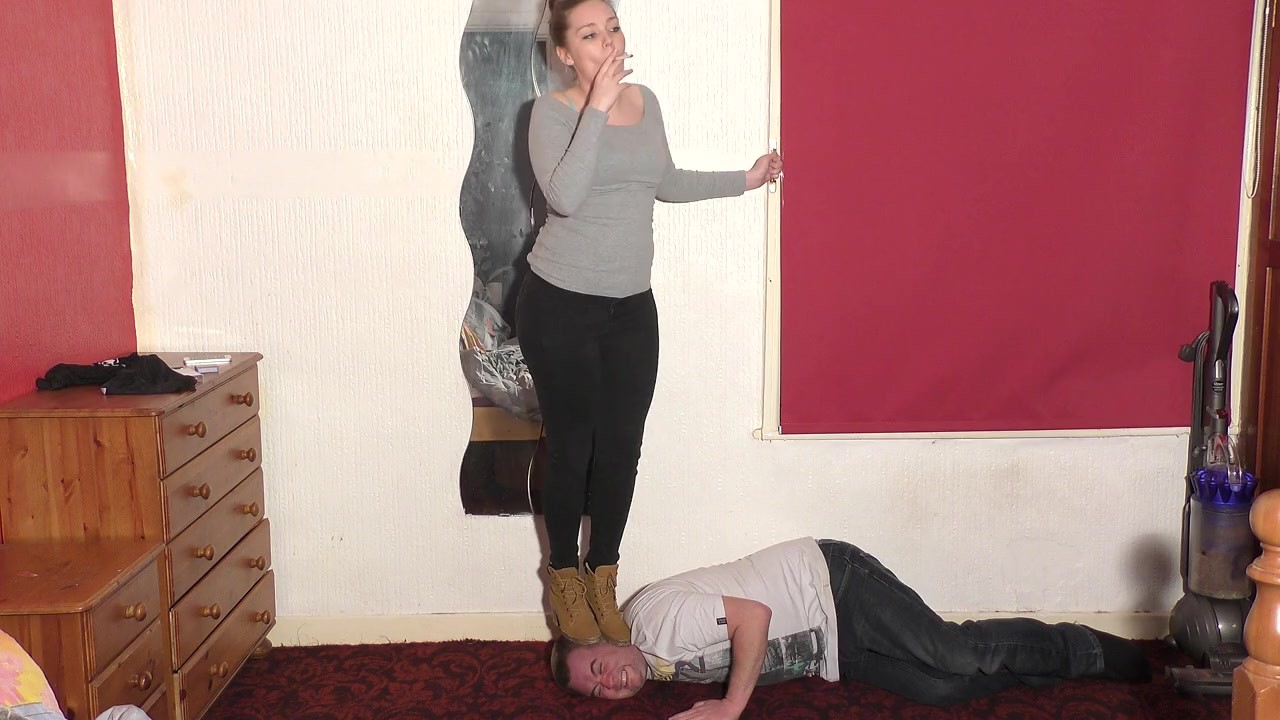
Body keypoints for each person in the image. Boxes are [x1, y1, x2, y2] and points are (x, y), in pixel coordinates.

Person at [518, 0, 783, 647]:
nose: (608, 40)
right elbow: (565, 197)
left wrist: (745, 180)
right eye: (590, 34)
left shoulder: (648, 102)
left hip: (631, 308)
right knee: (572, 446)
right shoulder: (548, 113)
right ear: (564, 53)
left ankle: (603, 575)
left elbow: (665, 181)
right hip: (560, 304)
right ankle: (563, 576)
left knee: (622, 449)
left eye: (613, 26)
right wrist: (598, 107)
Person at [550, 538, 1152, 717]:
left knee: (952, 654)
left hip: (835, 586)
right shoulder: (651, 661)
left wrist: (731, 707)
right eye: (597, 690)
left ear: (601, 636)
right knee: (941, 689)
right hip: (828, 646)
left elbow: (753, 617)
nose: (609, 682)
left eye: (597, 666)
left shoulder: (657, 626)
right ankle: (1042, 669)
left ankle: (1091, 650)